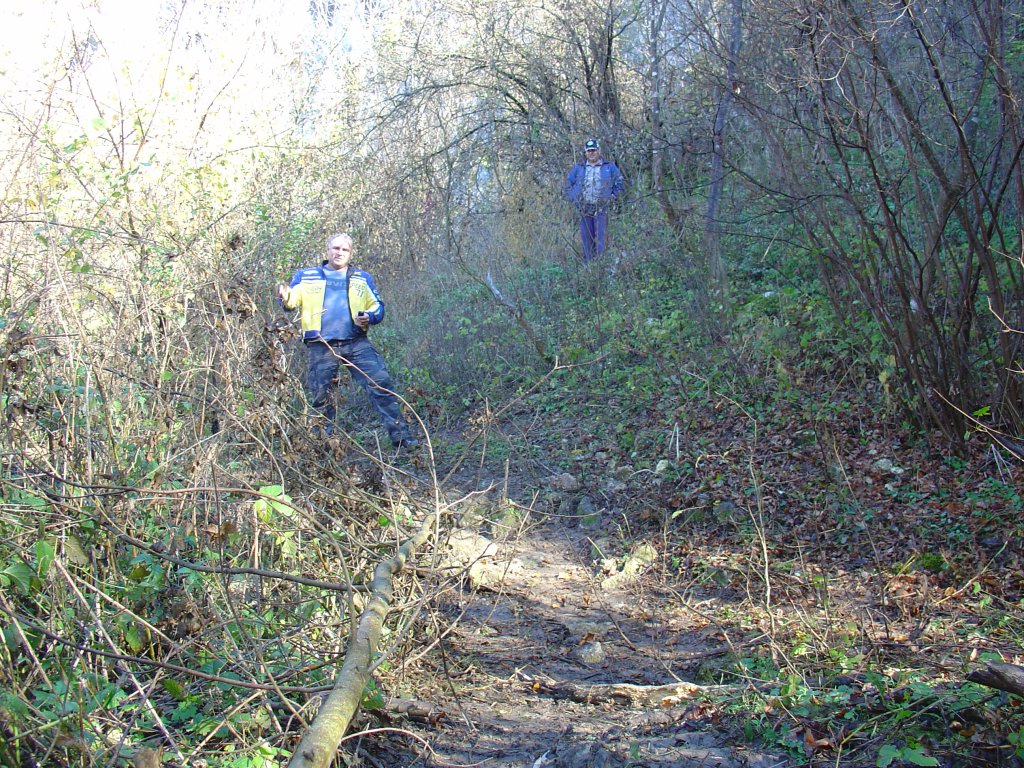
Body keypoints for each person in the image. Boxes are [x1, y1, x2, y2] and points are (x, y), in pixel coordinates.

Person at [276, 233, 418, 449]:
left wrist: (369, 316)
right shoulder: (306, 276)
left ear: (351, 253)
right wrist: (283, 294)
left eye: (344, 249)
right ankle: (322, 447)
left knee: (381, 385)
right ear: (327, 250)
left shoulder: (361, 277)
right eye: (335, 248)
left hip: (356, 343)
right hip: (321, 346)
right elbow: (290, 302)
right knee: (321, 397)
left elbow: (377, 306)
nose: (339, 253)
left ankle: (402, 439)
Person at [564, 138, 625, 261]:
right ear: (585, 153)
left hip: (601, 207)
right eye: (589, 151)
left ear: (599, 151)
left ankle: (602, 264)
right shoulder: (579, 167)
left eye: (594, 150)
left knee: (602, 238)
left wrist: (613, 196)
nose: (591, 153)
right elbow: (568, 184)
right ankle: (589, 265)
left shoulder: (609, 167)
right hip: (584, 207)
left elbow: (620, 182)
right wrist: (575, 199)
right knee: (587, 239)